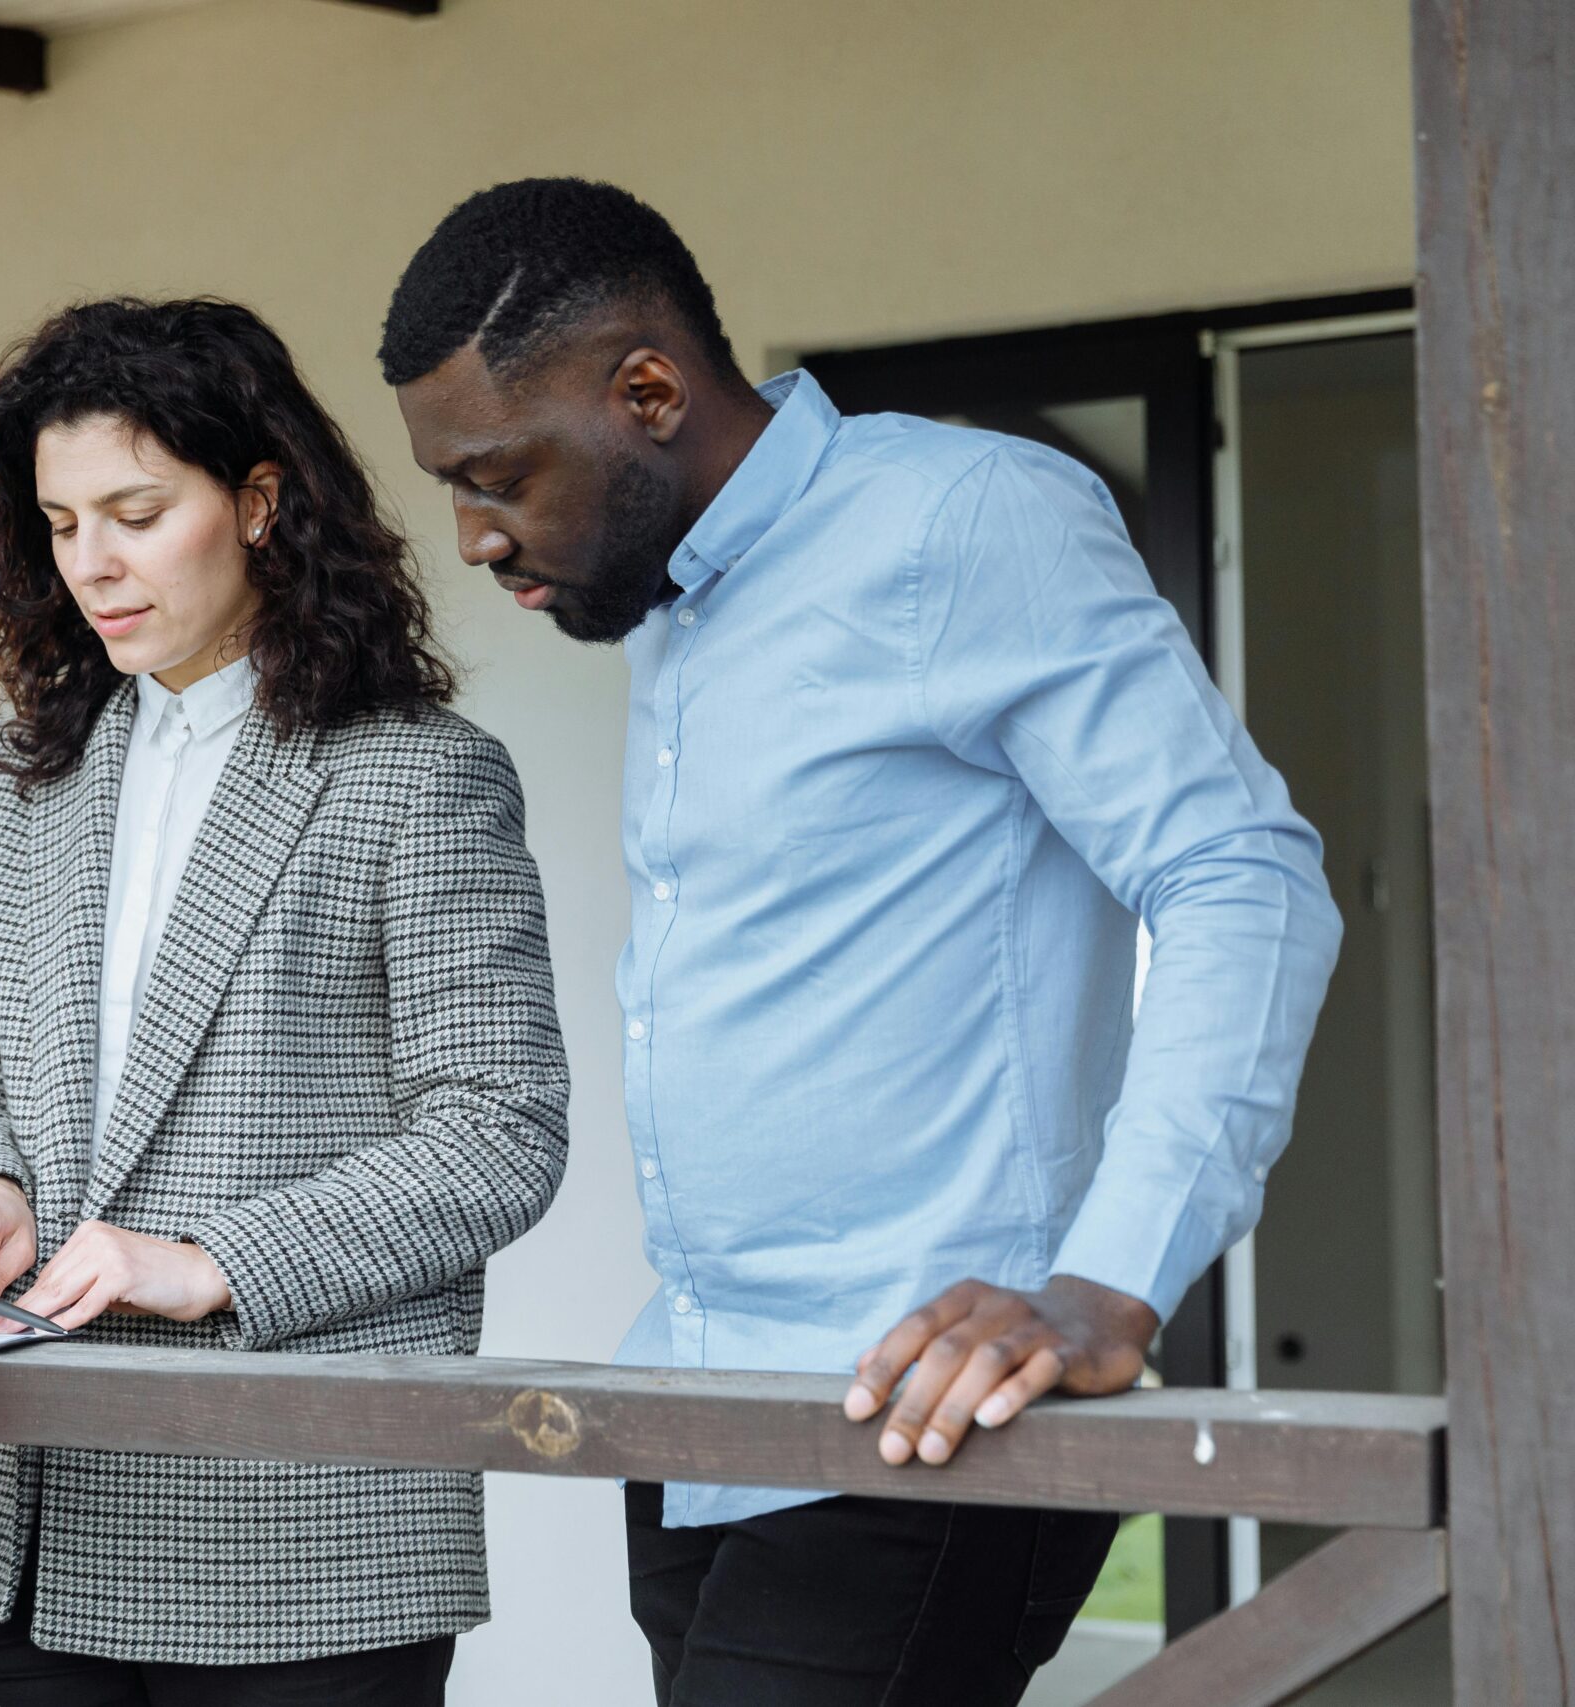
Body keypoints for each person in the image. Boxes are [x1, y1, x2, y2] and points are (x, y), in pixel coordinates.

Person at [380, 179, 1343, 1704]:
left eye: (498, 474)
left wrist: (1111, 1279)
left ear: (647, 392)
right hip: (702, 1406)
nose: (474, 536)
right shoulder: (682, 606)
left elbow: (1241, 874)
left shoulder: (964, 520)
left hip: (927, 1415)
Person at [0, 296, 569, 1706]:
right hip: (9, 1522)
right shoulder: (32, 775)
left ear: (260, 501)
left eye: (136, 512)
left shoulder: (422, 777)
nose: (94, 563)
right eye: (64, 523)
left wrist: (209, 1258)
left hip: (301, 1536)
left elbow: (502, 1132)